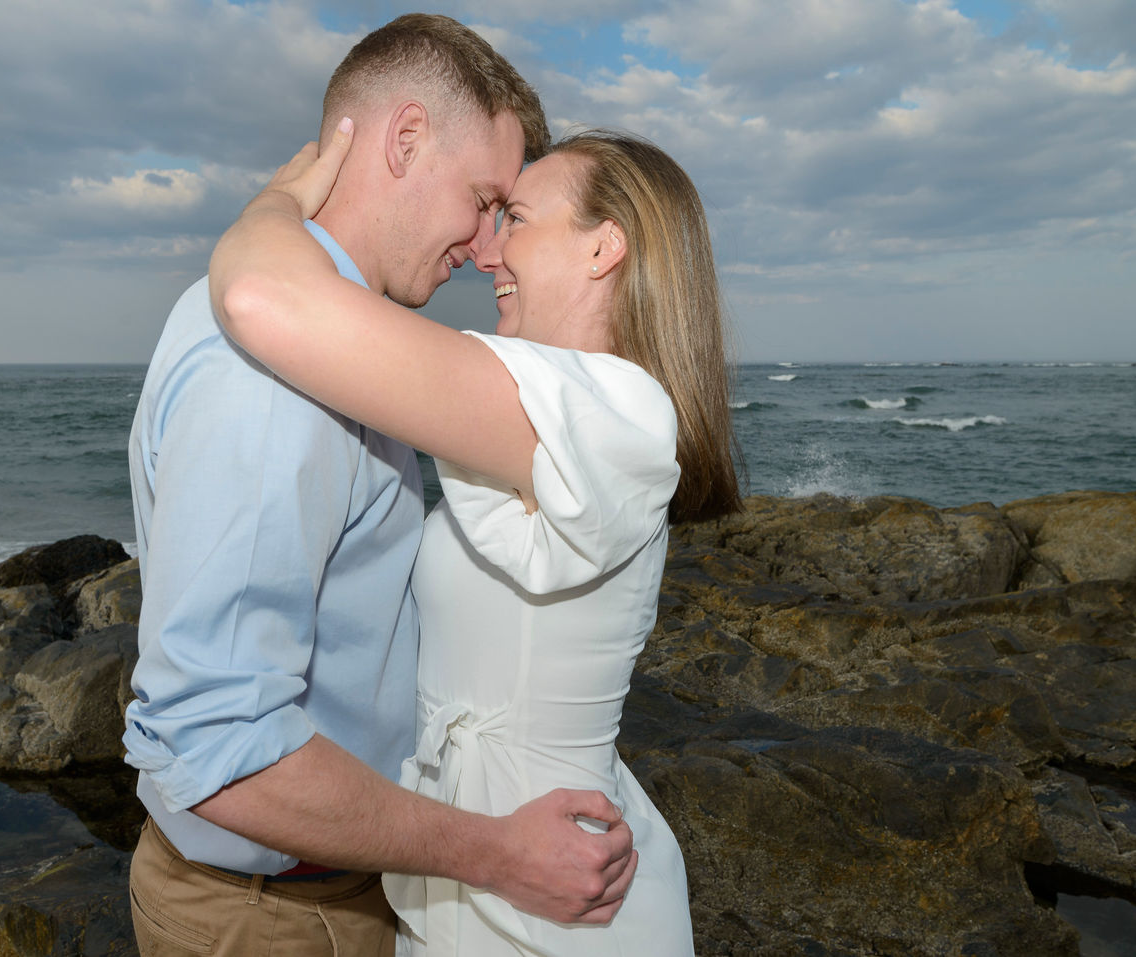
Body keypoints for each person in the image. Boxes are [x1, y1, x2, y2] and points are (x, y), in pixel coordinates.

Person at [123, 15, 638, 957]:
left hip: (337, 883)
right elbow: (220, 746)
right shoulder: (273, 379)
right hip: (268, 914)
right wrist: (490, 852)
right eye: (484, 199)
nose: (485, 247)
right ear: (405, 139)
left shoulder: (340, 345)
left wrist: (265, 218)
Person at [208, 117, 743, 954]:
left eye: (518, 220)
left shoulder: (615, 412)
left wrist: (275, 206)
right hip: (493, 856)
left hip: (546, 890)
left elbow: (259, 298)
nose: (488, 252)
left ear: (605, 248)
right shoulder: (559, 409)